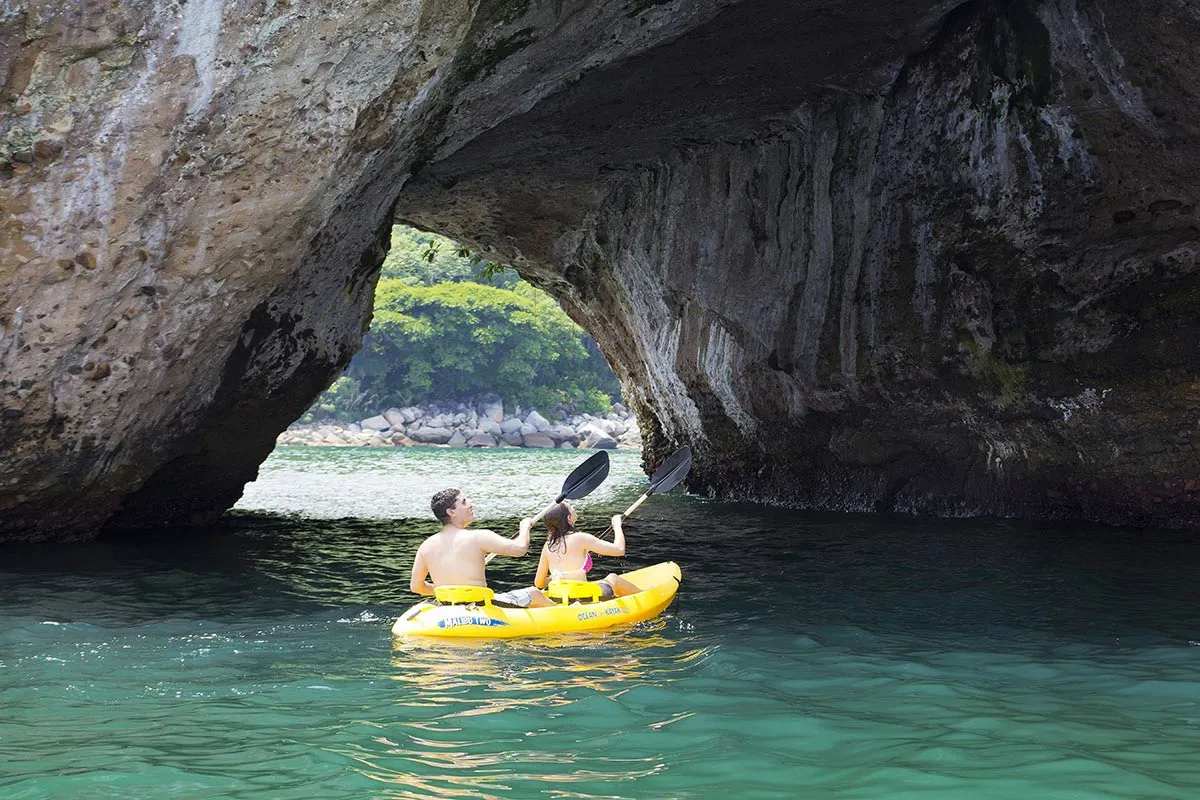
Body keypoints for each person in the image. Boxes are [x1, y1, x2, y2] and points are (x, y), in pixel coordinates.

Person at [410, 488, 552, 608]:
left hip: (446, 604)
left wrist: (449, 590)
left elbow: (417, 587)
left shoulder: (426, 546)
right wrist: (525, 528)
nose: (470, 505)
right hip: (479, 605)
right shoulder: (478, 537)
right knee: (535, 593)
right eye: (464, 502)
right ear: (451, 512)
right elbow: (520, 549)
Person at [533, 502, 640, 600]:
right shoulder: (581, 538)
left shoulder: (548, 546)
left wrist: (556, 577)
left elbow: (539, 583)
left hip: (559, 596)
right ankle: (646, 596)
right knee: (613, 578)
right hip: (583, 596)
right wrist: (617, 526)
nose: (573, 508)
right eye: (570, 507)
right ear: (569, 518)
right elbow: (619, 550)